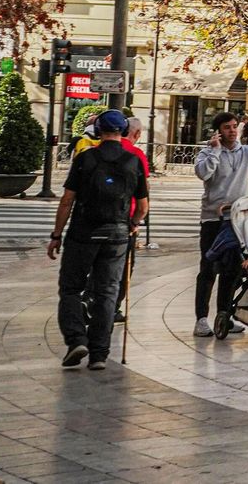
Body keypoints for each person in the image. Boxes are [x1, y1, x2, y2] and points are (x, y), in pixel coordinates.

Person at [48, 108, 149, 370]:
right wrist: (134, 225)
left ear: (98, 130)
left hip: (83, 232)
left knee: (71, 288)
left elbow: (67, 200)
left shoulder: (85, 158)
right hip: (117, 235)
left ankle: (76, 339)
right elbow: (143, 207)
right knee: (107, 292)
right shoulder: (134, 160)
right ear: (124, 132)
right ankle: (99, 354)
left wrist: (56, 235)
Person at [193, 99, 248, 337]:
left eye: (234, 126)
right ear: (218, 131)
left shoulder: (246, 153)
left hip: (238, 221)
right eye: (227, 127)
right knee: (209, 269)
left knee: (233, 270)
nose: (232, 131)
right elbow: (203, 173)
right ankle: (201, 319)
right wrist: (215, 151)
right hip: (213, 219)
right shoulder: (206, 153)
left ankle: (225, 315)